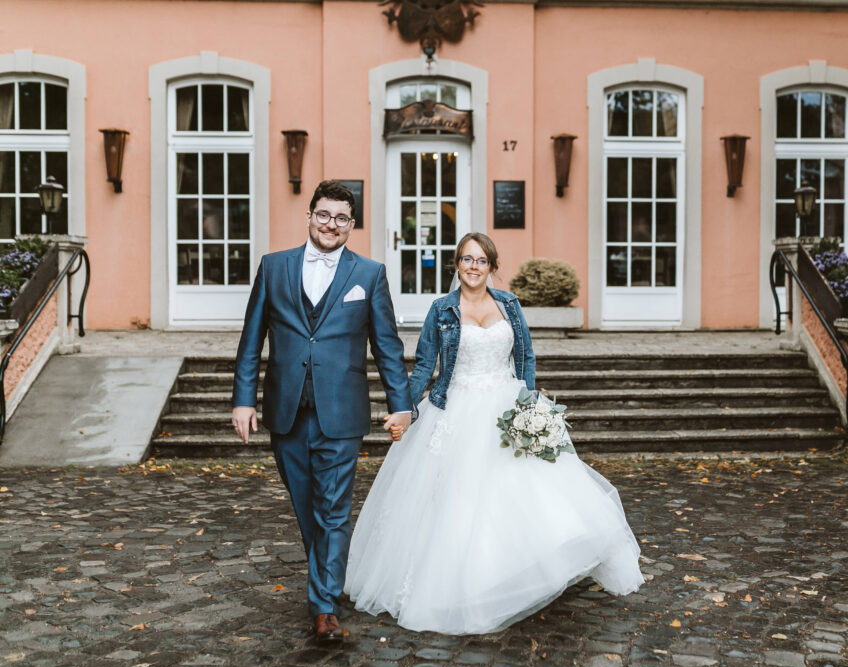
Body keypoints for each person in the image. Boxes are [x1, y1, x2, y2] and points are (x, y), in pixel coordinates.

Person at [345, 232, 643, 635]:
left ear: (492, 266)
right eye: (467, 259)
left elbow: (526, 356)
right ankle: (466, 584)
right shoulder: (442, 310)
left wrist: (531, 403)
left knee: (527, 494)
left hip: (507, 407)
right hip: (456, 410)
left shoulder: (509, 305)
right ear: (456, 264)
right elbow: (423, 367)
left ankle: (524, 570)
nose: (473, 267)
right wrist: (405, 408)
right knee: (458, 502)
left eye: (481, 260)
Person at [231, 180, 413, 642]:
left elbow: (387, 347)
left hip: (341, 412)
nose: (331, 224)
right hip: (285, 410)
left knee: (332, 510)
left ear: (351, 226)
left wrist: (401, 406)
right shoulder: (274, 267)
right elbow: (251, 339)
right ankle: (327, 578)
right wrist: (243, 399)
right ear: (309, 216)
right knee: (306, 508)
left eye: (341, 218)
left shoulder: (369, 274)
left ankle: (325, 606)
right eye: (323, 215)